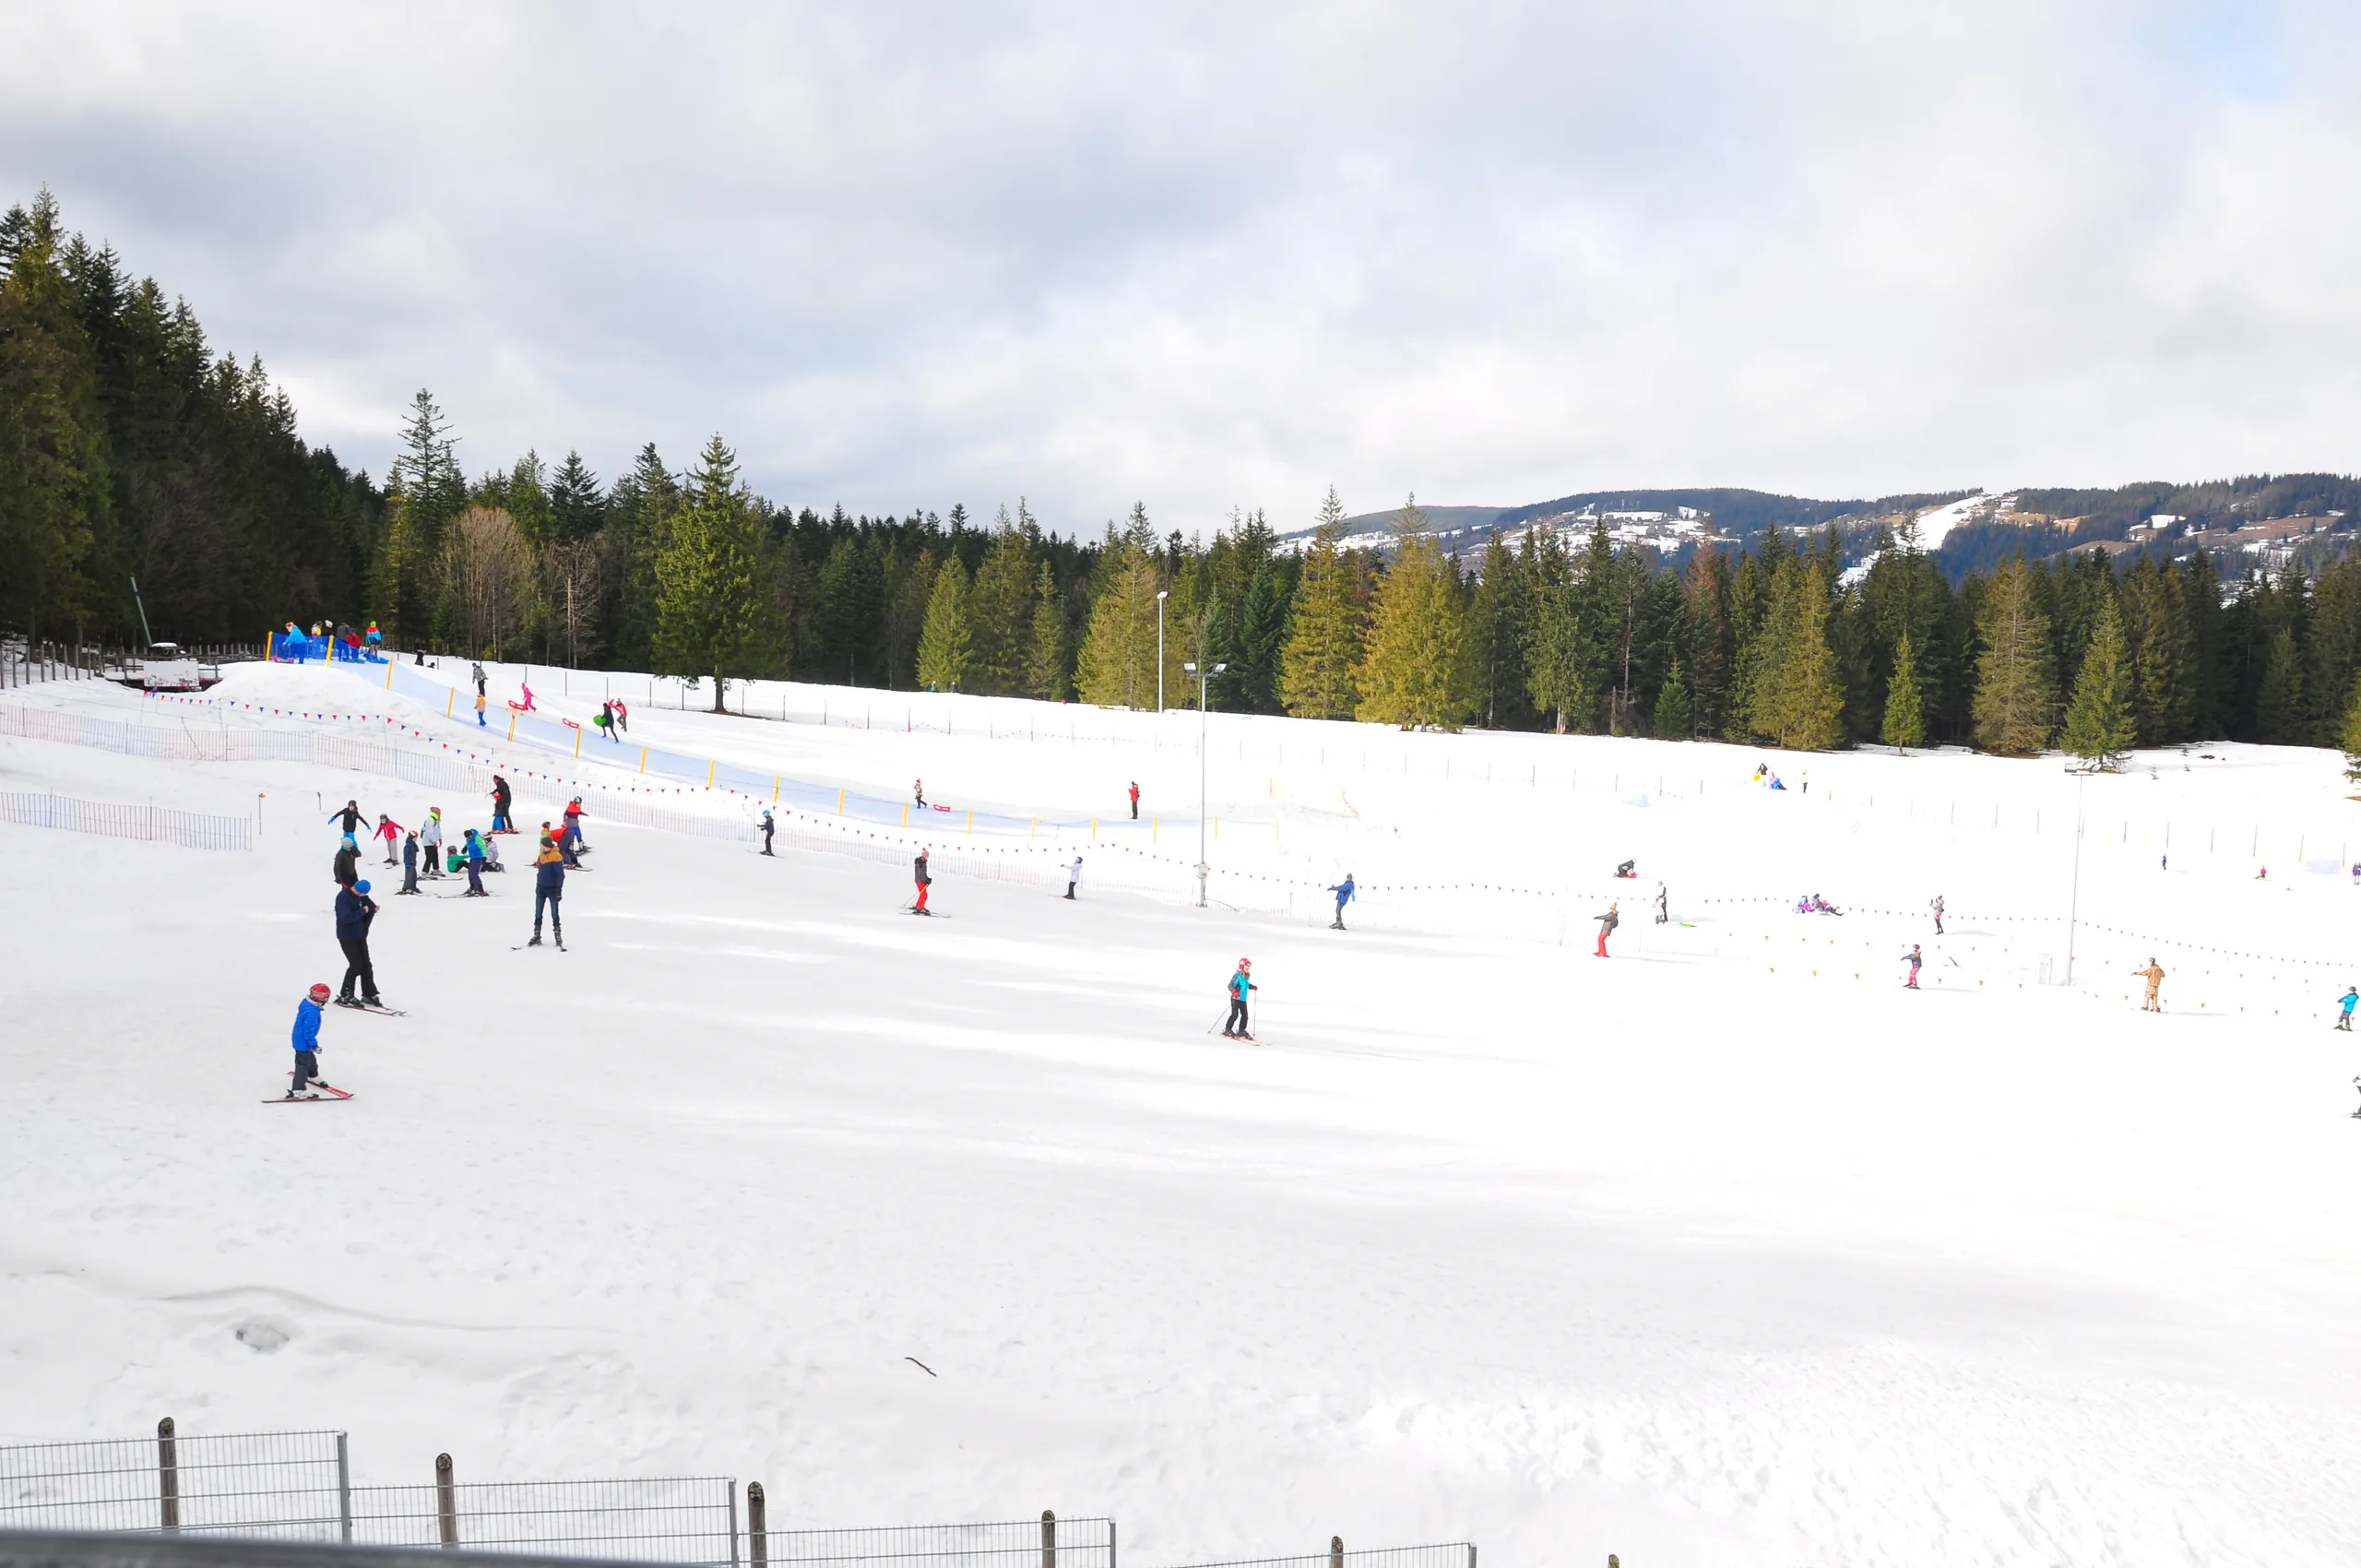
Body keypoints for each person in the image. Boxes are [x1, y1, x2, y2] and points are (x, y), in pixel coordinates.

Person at [334, 879, 382, 1008]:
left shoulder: (363, 896)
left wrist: (373, 909)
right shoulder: (343, 897)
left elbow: (369, 906)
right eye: (361, 894)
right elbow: (346, 917)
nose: (363, 897)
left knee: (366, 964)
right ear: (356, 889)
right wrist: (363, 911)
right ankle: (346, 994)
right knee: (356, 965)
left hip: (360, 935)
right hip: (347, 936)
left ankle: (368, 993)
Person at [286, 982, 331, 1099]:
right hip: (303, 1041)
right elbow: (308, 1031)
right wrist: (314, 1044)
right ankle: (298, 1089)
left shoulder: (307, 1004)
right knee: (302, 1065)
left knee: (310, 1059)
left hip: (300, 1039)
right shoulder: (312, 1012)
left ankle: (313, 1075)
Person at [530, 831, 565, 947]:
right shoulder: (542, 855)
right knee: (538, 913)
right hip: (541, 888)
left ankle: (557, 935)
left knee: (554, 913)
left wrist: (558, 890)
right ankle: (536, 935)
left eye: (543, 846)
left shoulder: (556, 856)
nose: (542, 847)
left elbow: (560, 875)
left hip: (552, 889)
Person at [1223, 957, 1257, 1040]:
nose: (1248, 968)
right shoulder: (1238, 975)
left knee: (1245, 1016)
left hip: (1243, 999)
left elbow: (1246, 985)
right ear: (1242, 966)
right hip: (1236, 998)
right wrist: (1235, 992)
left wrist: (1252, 986)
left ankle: (1241, 1030)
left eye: (1248, 967)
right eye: (1246, 967)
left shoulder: (1246, 976)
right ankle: (1228, 1029)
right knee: (1235, 1015)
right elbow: (1230, 985)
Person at [420, 807, 445, 878]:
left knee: (435, 856)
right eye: (438, 813)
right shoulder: (430, 820)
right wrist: (434, 840)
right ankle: (424, 872)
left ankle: (436, 869)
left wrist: (440, 839)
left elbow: (438, 830)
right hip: (428, 842)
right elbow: (429, 832)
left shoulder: (436, 821)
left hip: (433, 842)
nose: (440, 814)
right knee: (429, 857)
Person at [461, 829, 488, 896]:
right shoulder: (468, 838)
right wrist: (465, 847)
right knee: (470, 873)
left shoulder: (477, 838)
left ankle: (480, 889)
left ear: (472, 835)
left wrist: (484, 856)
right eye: (467, 838)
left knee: (474, 874)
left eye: (470, 837)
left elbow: (483, 847)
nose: (469, 839)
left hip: (478, 857)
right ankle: (472, 887)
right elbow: (468, 843)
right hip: (473, 857)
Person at [397, 829, 421, 895]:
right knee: (409, 877)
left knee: (414, 876)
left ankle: (413, 887)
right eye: (415, 838)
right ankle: (406, 888)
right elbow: (406, 855)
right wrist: (407, 863)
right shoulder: (408, 846)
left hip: (413, 863)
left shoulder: (413, 845)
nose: (416, 839)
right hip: (409, 864)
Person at [912, 847, 933, 914]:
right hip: (920, 881)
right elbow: (921, 874)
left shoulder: (922, 861)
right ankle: (920, 908)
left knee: (923, 894)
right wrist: (926, 880)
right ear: (924, 856)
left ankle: (919, 906)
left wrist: (927, 879)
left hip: (920, 880)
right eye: (927, 856)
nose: (928, 857)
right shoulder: (921, 863)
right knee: (924, 895)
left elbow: (923, 873)